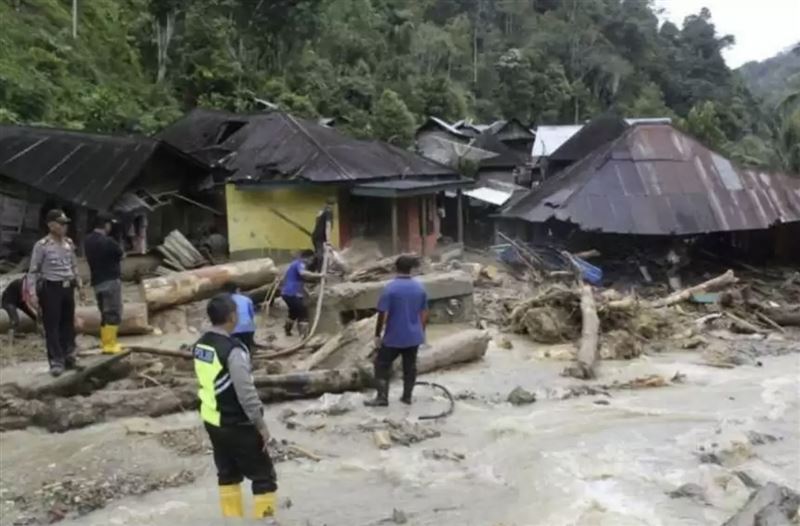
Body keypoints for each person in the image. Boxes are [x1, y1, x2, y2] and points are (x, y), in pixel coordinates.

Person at [192, 294, 278, 519]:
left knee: (227, 474)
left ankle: (232, 520)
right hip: (237, 423)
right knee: (263, 477)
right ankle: (266, 521)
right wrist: (261, 425)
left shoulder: (201, 345)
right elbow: (246, 393)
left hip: (212, 421)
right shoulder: (233, 350)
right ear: (231, 317)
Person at [364, 255, 428, 407]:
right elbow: (424, 314)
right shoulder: (420, 288)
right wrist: (421, 331)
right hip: (414, 336)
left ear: (395, 268)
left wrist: (377, 335)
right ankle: (407, 397)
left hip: (394, 336)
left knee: (381, 364)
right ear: (411, 269)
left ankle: (382, 397)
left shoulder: (390, 289)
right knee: (410, 366)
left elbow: (383, 314)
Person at [29, 209, 82, 376]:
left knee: (68, 324)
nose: (64, 226)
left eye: (65, 223)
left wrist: (79, 283)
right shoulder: (42, 245)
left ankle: (69, 357)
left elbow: (73, 264)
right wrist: (32, 293)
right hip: (51, 287)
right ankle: (56, 361)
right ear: (51, 225)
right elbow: (33, 270)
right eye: (60, 223)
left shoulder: (68, 243)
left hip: (68, 287)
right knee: (52, 326)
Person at [84, 213, 124, 354]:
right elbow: (121, 254)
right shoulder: (109, 242)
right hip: (111, 281)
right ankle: (110, 344)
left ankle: (105, 343)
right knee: (113, 313)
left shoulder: (87, 241)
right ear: (106, 224)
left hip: (97, 282)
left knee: (104, 314)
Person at [280, 250, 322, 337]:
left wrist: (308, 293)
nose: (311, 262)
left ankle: (287, 331)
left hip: (286, 293)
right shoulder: (300, 264)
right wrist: (320, 275)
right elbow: (303, 274)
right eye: (311, 259)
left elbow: (300, 284)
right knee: (303, 313)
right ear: (306, 258)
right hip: (292, 293)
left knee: (293, 312)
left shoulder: (294, 264)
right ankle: (304, 336)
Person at [1, 275, 37, 341]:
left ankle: (15, 333)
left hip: (18, 301)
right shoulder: (19, 283)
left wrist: (35, 317)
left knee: (33, 317)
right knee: (15, 320)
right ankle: (10, 337)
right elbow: (27, 299)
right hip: (8, 302)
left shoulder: (27, 285)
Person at [223, 282, 256, 350]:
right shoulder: (246, 299)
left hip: (233, 331)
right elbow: (252, 315)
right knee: (248, 346)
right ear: (237, 290)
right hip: (248, 329)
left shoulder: (225, 301)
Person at [310, 197, 335, 269]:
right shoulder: (329, 212)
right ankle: (319, 271)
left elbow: (317, 220)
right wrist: (328, 240)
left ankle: (315, 269)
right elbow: (328, 226)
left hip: (316, 236)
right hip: (320, 237)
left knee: (318, 254)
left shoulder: (321, 211)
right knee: (320, 255)